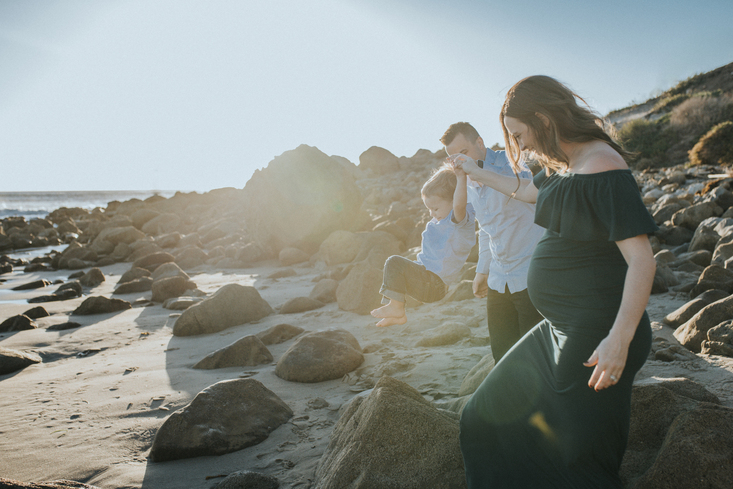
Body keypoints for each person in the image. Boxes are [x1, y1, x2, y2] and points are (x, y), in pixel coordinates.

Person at [452, 75, 658, 488]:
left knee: (577, 460)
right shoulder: (564, 166)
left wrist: (619, 340)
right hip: (557, 330)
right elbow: (530, 193)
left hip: (597, 335)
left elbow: (641, 261)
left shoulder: (602, 165)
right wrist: (478, 173)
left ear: (544, 119)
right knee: (482, 416)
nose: (521, 145)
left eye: (520, 134)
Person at [441, 122, 544, 362]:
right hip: (500, 278)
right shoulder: (468, 180)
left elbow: (528, 192)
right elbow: (487, 228)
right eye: (454, 158)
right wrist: (482, 271)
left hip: (531, 274)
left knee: (535, 358)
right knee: (503, 355)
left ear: (479, 143)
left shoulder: (512, 163)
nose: (460, 162)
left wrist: (477, 172)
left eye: (463, 153)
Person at [370, 163, 475, 327]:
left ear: (454, 200)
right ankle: (397, 313)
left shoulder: (458, 220)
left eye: (435, 208)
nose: (432, 214)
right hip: (429, 280)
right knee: (396, 268)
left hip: (434, 284)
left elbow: (460, 204)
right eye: (429, 209)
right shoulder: (440, 220)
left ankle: (397, 308)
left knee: (394, 262)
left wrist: (461, 178)